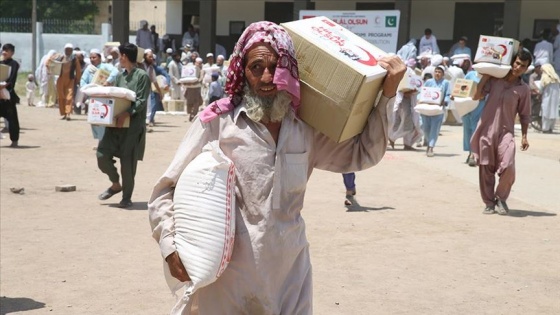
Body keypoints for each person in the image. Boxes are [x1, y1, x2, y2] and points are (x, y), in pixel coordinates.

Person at [148, 21, 405, 314]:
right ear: (242, 71)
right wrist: (170, 247)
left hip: (289, 276)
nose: (268, 77)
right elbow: (164, 190)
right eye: (256, 67)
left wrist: (387, 95)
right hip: (228, 281)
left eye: (277, 66)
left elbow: (363, 153)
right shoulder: (216, 124)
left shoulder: (305, 129)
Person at [471, 49, 532, 215]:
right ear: (512, 62)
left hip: (506, 132)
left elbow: (525, 114)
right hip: (486, 129)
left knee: (508, 164)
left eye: (523, 66)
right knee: (485, 168)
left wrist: (525, 137)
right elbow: (476, 96)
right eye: (517, 63)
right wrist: (486, 75)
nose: (518, 67)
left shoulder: (523, 89)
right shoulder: (495, 81)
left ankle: (501, 197)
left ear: (526, 69)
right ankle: (489, 202)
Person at [97, 43, 150, 209]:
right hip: (114, 125)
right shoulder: (120, 76)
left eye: (120, 56)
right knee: (101, 155)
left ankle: (126, 197)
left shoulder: (142, 76)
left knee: (127, 163)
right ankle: (115, 184)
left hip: (132, 128)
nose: (119, 59)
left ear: (125, 57)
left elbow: (141, 101)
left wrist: (127, 113)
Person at [80, 48, 119, 142]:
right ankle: (99, 140)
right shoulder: (89, 69)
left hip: (104, 97)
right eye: (90, 58)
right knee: (94, 120)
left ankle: (103, 141)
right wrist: (87, 88)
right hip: (93, 97)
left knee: (103, 119)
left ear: (99, 58)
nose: (92, 59)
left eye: (94, 57)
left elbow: (115, 72)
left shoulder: (105, 66)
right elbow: (83, 80)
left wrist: (108, 81)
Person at [419, 65, 450, 157]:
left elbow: (448, 94)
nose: (437, 73)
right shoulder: (428, 82)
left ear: (443, 74)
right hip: (426, 108)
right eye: (436, 71)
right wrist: (419, 99)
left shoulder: (446, 83)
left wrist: (445, 101)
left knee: (434, 129)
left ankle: (430, 147)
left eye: (439, 72)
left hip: (437, 110)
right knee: (425, 128)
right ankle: (428, 141)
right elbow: (422, 92)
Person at [461, 66, 487, 167]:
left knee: (476, 128)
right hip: (467, 104)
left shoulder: (488, 77)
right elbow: (462, 87)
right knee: (467, 128)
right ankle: (470, 152)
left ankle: (473, 154)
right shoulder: (470, 75)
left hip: (480, 104)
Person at [0, 43, 21, 147]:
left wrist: (4, 86)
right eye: (3, 50)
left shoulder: (14, 64)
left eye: (7, 50)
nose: (4, 52)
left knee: (12, 118)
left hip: (8, 95)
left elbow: (12, 78)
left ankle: (14, 140)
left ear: (12, 53)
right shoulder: (0, 62)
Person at [57, 43, 82, 121]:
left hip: (70, 79)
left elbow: (78, 70)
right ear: (64, 50)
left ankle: (68, 113)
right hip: (60, 79)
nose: (68, 51)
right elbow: (50, 63)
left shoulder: (74, 59)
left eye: (70, 50)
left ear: (72, 51)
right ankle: (63, 113)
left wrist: (78, 79)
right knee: (61, 96)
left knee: (69, 97)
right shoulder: (60, 57)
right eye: (67, 50)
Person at [538, 63, 560, 133]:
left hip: (547, 98)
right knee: (553, 112)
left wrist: (539, 93)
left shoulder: (544, 77)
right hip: (555, 98)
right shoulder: (556, 77)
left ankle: (545, 128)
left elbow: (541, 88)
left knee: (546, 112)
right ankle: (551, 127)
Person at [183, 57, 203, 122]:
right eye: (197, 63)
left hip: (197, 89)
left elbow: (201, 78)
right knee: (189, 103)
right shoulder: (190, 69)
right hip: (189, 89)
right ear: (195, 63)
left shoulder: (201, 70)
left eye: (200, 63)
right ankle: (190, 113)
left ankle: (193, 115)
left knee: (196, 103)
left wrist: (196, 81)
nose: (199, 64)